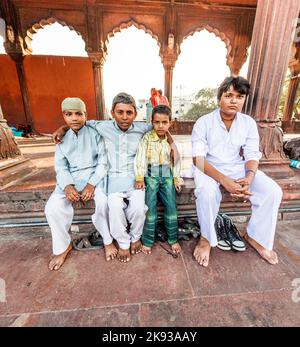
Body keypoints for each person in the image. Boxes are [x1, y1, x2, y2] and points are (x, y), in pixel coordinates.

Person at [54, 93, 179, 263]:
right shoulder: (102, 126)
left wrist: (173, 146)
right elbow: (78, 122)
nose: (125, 117)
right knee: (113, 208)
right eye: (120, 112)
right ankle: (123, 242)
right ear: (112, 112)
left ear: (135, 114)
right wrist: (62, 129)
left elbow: (163, 128)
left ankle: (135, 237)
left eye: (129, 112)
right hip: (113, 178)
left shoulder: (143, 128)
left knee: (139, 208)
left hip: (136, 177)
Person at [192, 76, 283, 267]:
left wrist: (249, 178)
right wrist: (224, 181)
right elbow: (198, 159)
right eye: (229, 95)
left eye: (240, 96)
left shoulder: (248, 123)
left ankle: (256, 237)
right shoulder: (204, 122)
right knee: (207, 192)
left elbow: (252, 154)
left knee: (272, 191)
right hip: (208, 167)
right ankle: (206, 239)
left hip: (237, 166)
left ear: (244, 100)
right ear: (220, 98)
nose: (234, 100)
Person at [45, 97, 116, 271]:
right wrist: (68, 186)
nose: (74, 118)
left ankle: (107, 240)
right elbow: (61, 167)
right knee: (52, 208)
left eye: (78, 114)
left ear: (86, 115)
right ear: (63, 116)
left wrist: (91, 185)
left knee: (103, 203)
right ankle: (63, 247)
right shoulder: (62, 139)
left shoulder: (95, 133)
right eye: (69, 114)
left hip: (95, 177)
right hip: (70, 178)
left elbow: (103, 163)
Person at [134, 105, 183, 255]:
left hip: (167, 176)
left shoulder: (170, 142)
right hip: (151, 177)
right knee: (150, 208)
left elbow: (176, 161)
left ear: (170, 123)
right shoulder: (147, 138)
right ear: (152, 122)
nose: (160, 126)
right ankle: (148, 240)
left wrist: (176, 178)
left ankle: (173, 239)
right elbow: (140, 157)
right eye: (157, 122)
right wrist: (140, 177)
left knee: (171, 207)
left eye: (164, 122)